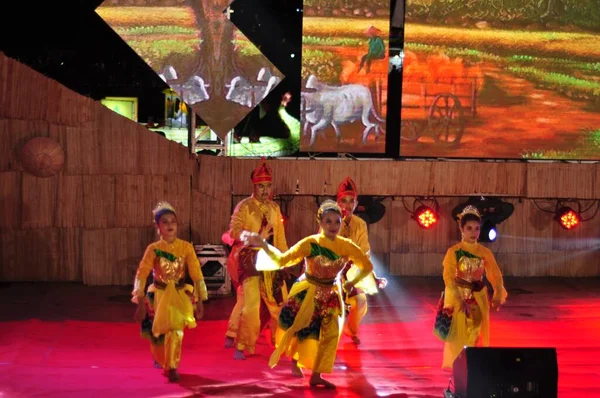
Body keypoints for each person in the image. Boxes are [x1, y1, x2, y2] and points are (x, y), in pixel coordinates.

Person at [242, 200, 374, 388]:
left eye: (337, 221)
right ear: (320, 222)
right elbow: (282, 260)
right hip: (308, 292)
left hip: (331, 295)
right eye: (328, 221)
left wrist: (351, 283)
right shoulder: (310, 243)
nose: (333, 226)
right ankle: (296, 361)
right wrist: (263, 244)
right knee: (303, 332)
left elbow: (366, 266)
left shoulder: (346, 246)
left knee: (330, 335)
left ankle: (317, 375)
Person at [132, 202, 208, 382]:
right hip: (159, 295)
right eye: (165, 222)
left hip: (180, 295)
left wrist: (201, 300)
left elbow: (196, 273)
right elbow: (142, 274)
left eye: (173, 221)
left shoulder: (186, 247)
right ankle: (163, 359)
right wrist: (140, 302)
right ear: (157, 226)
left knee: (176, 331)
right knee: (158, 335)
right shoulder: (153, 249)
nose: (170, 225)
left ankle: (172, 366)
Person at [223, 159, 290, 360]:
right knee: (250, 304)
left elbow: (280, 238)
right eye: (261, 186)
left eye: (268, 186)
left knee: (280, 303)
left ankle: (280, 341)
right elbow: (233, 232)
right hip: (248, 260)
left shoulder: (275, 208)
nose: (265, 190)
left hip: (269, 260)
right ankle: (243, 344)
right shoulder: (244, 207)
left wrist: (286, 260)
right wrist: (254, 236)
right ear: (254, 186)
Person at [435, 205, 508, 369]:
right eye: (469, 228)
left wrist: (497, 292)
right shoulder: (454, 252)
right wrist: (459, 298)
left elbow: (495, 274)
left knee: (474, 331)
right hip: (457, 296)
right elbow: (448, 277)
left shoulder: (484, 252)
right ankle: (459, 365)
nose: (473, 232)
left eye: (476, 229)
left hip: (477, 297)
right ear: (462, 229)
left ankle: (470, 365)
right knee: (457, 335)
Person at [335, 177, 387, 345]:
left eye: (351, 201)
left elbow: (364, 253)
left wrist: (372, 275)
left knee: (361, 301)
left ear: (356, 204)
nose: (347, 205)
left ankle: (351, 330)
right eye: (344, 201)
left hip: (351, 271)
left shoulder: (360, 224)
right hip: (331, 271)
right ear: (337, 202)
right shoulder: (330, 220)